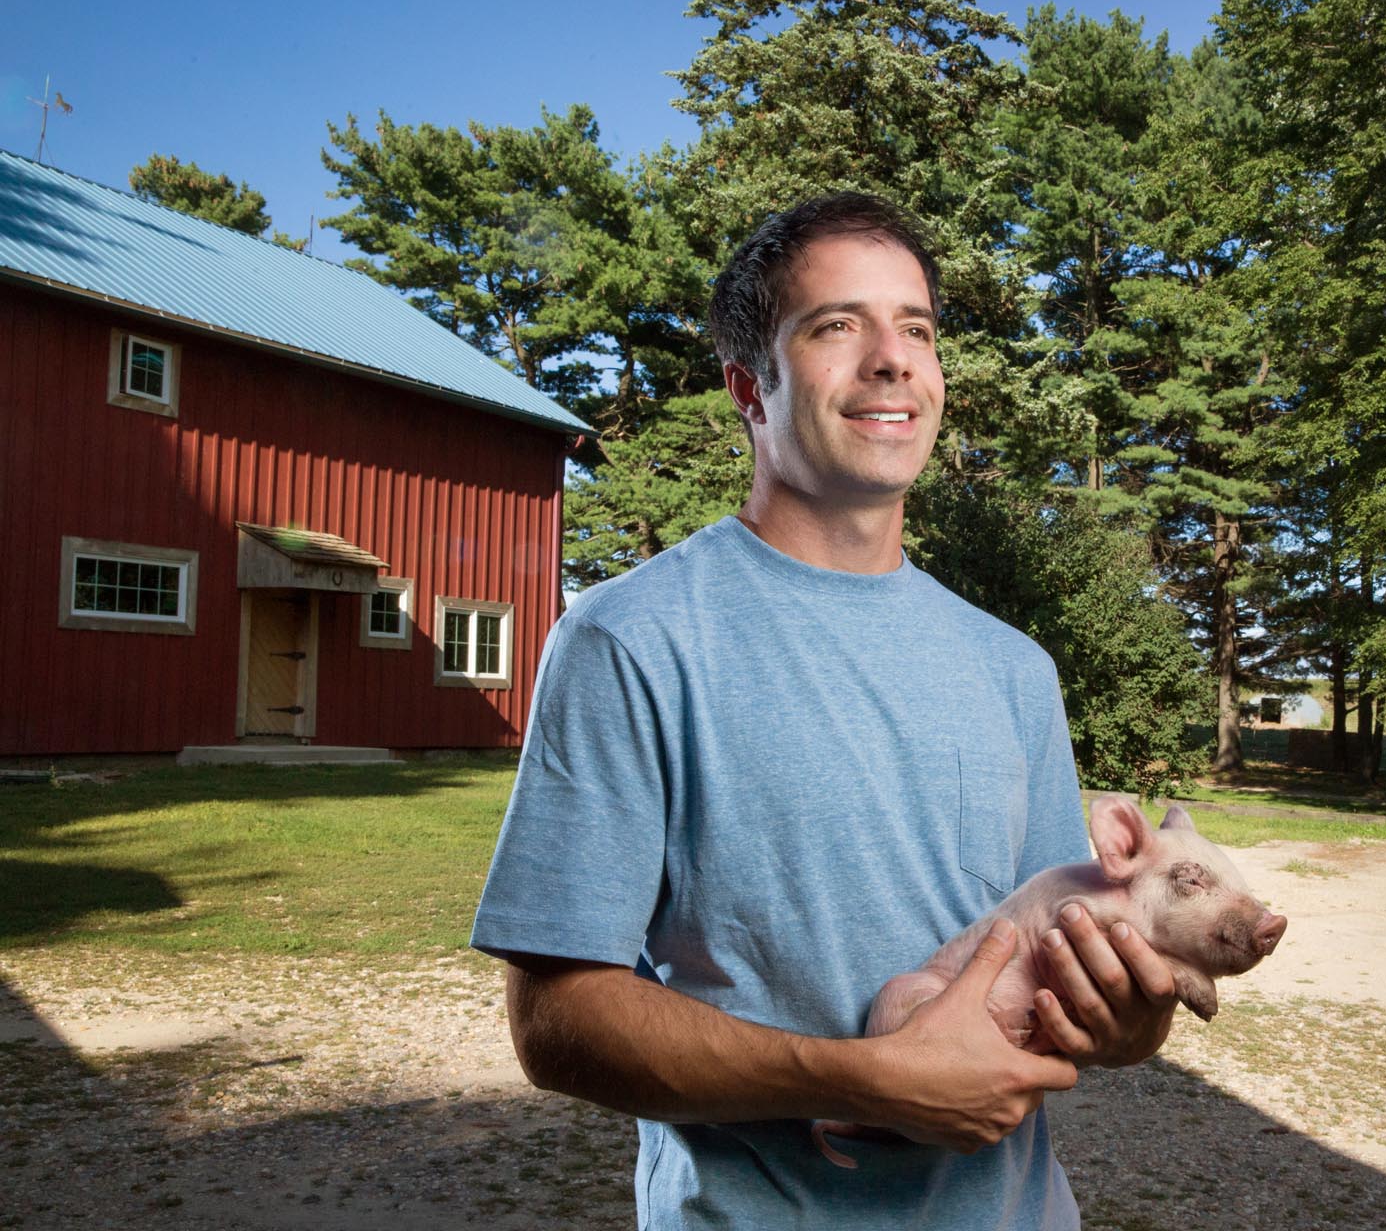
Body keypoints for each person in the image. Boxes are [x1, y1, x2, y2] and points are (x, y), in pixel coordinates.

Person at [471, 193, 1178, 1230]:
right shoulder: (631, 638)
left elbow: (1060, 978)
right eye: (837, 325)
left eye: (919, 327)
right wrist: (856, 1079)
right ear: (749, 388)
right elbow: (556, 1021)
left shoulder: (1015, 666)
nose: (892, 358)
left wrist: (1128, 1015)